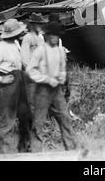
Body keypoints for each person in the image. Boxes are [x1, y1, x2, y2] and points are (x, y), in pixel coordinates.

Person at [0, 18, 32, 153]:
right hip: (9, 84)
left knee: (25, 115)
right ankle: (6, 152)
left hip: (20, 81)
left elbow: (22, 62)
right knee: (7, 120)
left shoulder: (15, 44)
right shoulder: (0, 47)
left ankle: (25, 150)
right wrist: (0, 79)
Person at [27, 21, 77, 151]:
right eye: (52, 35)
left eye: (57, 35)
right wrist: (47, 79)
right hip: (43, 90)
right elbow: (30, 71)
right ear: (47, 36)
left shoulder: (60, 51)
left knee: (65, 117)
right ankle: (36, 152)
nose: (55, 38)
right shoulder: (40, 51)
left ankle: (71, 149)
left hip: (57, 91)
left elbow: (62, 68)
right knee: (39, 122)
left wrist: (61, 77)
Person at [21, 13, 47, 113]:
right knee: (32, 100)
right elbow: (24, 59)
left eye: (41, 24)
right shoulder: (27, 37)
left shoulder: (41, 37)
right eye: (38, 24)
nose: (40, 26)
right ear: (32, 25)